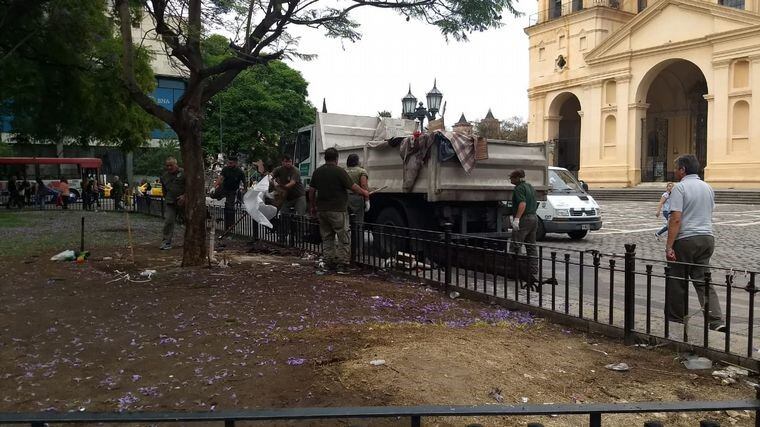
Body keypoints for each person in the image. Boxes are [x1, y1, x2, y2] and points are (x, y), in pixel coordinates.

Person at [665, 154, 725, 332]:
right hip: (707, 238)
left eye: (676, 168)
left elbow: (676, 219)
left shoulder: (680, 188)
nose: (675, 171)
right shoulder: (707, 187)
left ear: (683, 170)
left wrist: (669, 245)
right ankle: (716, 320)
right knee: (703, 280)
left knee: (677, 279)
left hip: (686, 239)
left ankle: (676, 319)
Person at [308, 148, 370, 272]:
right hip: (337, 210)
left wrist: (313, 206)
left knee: (327, 237)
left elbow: (312, 191)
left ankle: (328, 262)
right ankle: (342, 264)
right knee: (343, 237)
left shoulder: (317, 172)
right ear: (336, 159)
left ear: (325, 158)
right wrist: (365, 193)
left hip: (322, 210)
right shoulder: (339, 172)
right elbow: (353, 187)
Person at [509, 169, 539, 290]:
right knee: (531, 245)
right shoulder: (530, 187)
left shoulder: (518, 188)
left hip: (524, 218)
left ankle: (517, 272)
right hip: (534, 218)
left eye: (511, 177)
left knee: (516, 245)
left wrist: (517, 219)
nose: (510, 180)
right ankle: (533, 269)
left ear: (517, 178)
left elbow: (522, 204)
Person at [159, 157, 186, 250]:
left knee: (188, 221)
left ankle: (189, 241)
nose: (169, 167)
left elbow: (191, 185)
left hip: (184, 202)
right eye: (167, 166)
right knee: (168, 221)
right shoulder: (164, 176)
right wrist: (167, 198)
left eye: (171, 165)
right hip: (171, 202)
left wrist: (185, 196)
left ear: (176, 164)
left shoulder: (184, 173)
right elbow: (164, 190)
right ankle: (166, 242)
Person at [215, 155, 245, 231]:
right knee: (214, 193)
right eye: (228, 163)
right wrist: (215, 186)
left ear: (235, 163)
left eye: (231, 163)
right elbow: (220, 178)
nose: (229, 164)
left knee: (230, 207)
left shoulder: (240, 172)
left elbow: (245, 182)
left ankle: (230, 225)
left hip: (232, 190)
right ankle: (217, 196)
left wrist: (245, 191)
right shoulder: (225, 169)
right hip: (224, 187)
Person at [345, 154, 369, 224]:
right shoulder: (361, 171)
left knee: (346, 222)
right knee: (358, 223)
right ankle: (357, 235)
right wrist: (367, 199)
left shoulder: (343, 171)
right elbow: (363, 185)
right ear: (357, 161)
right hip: (356, 198)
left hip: (344, 198)